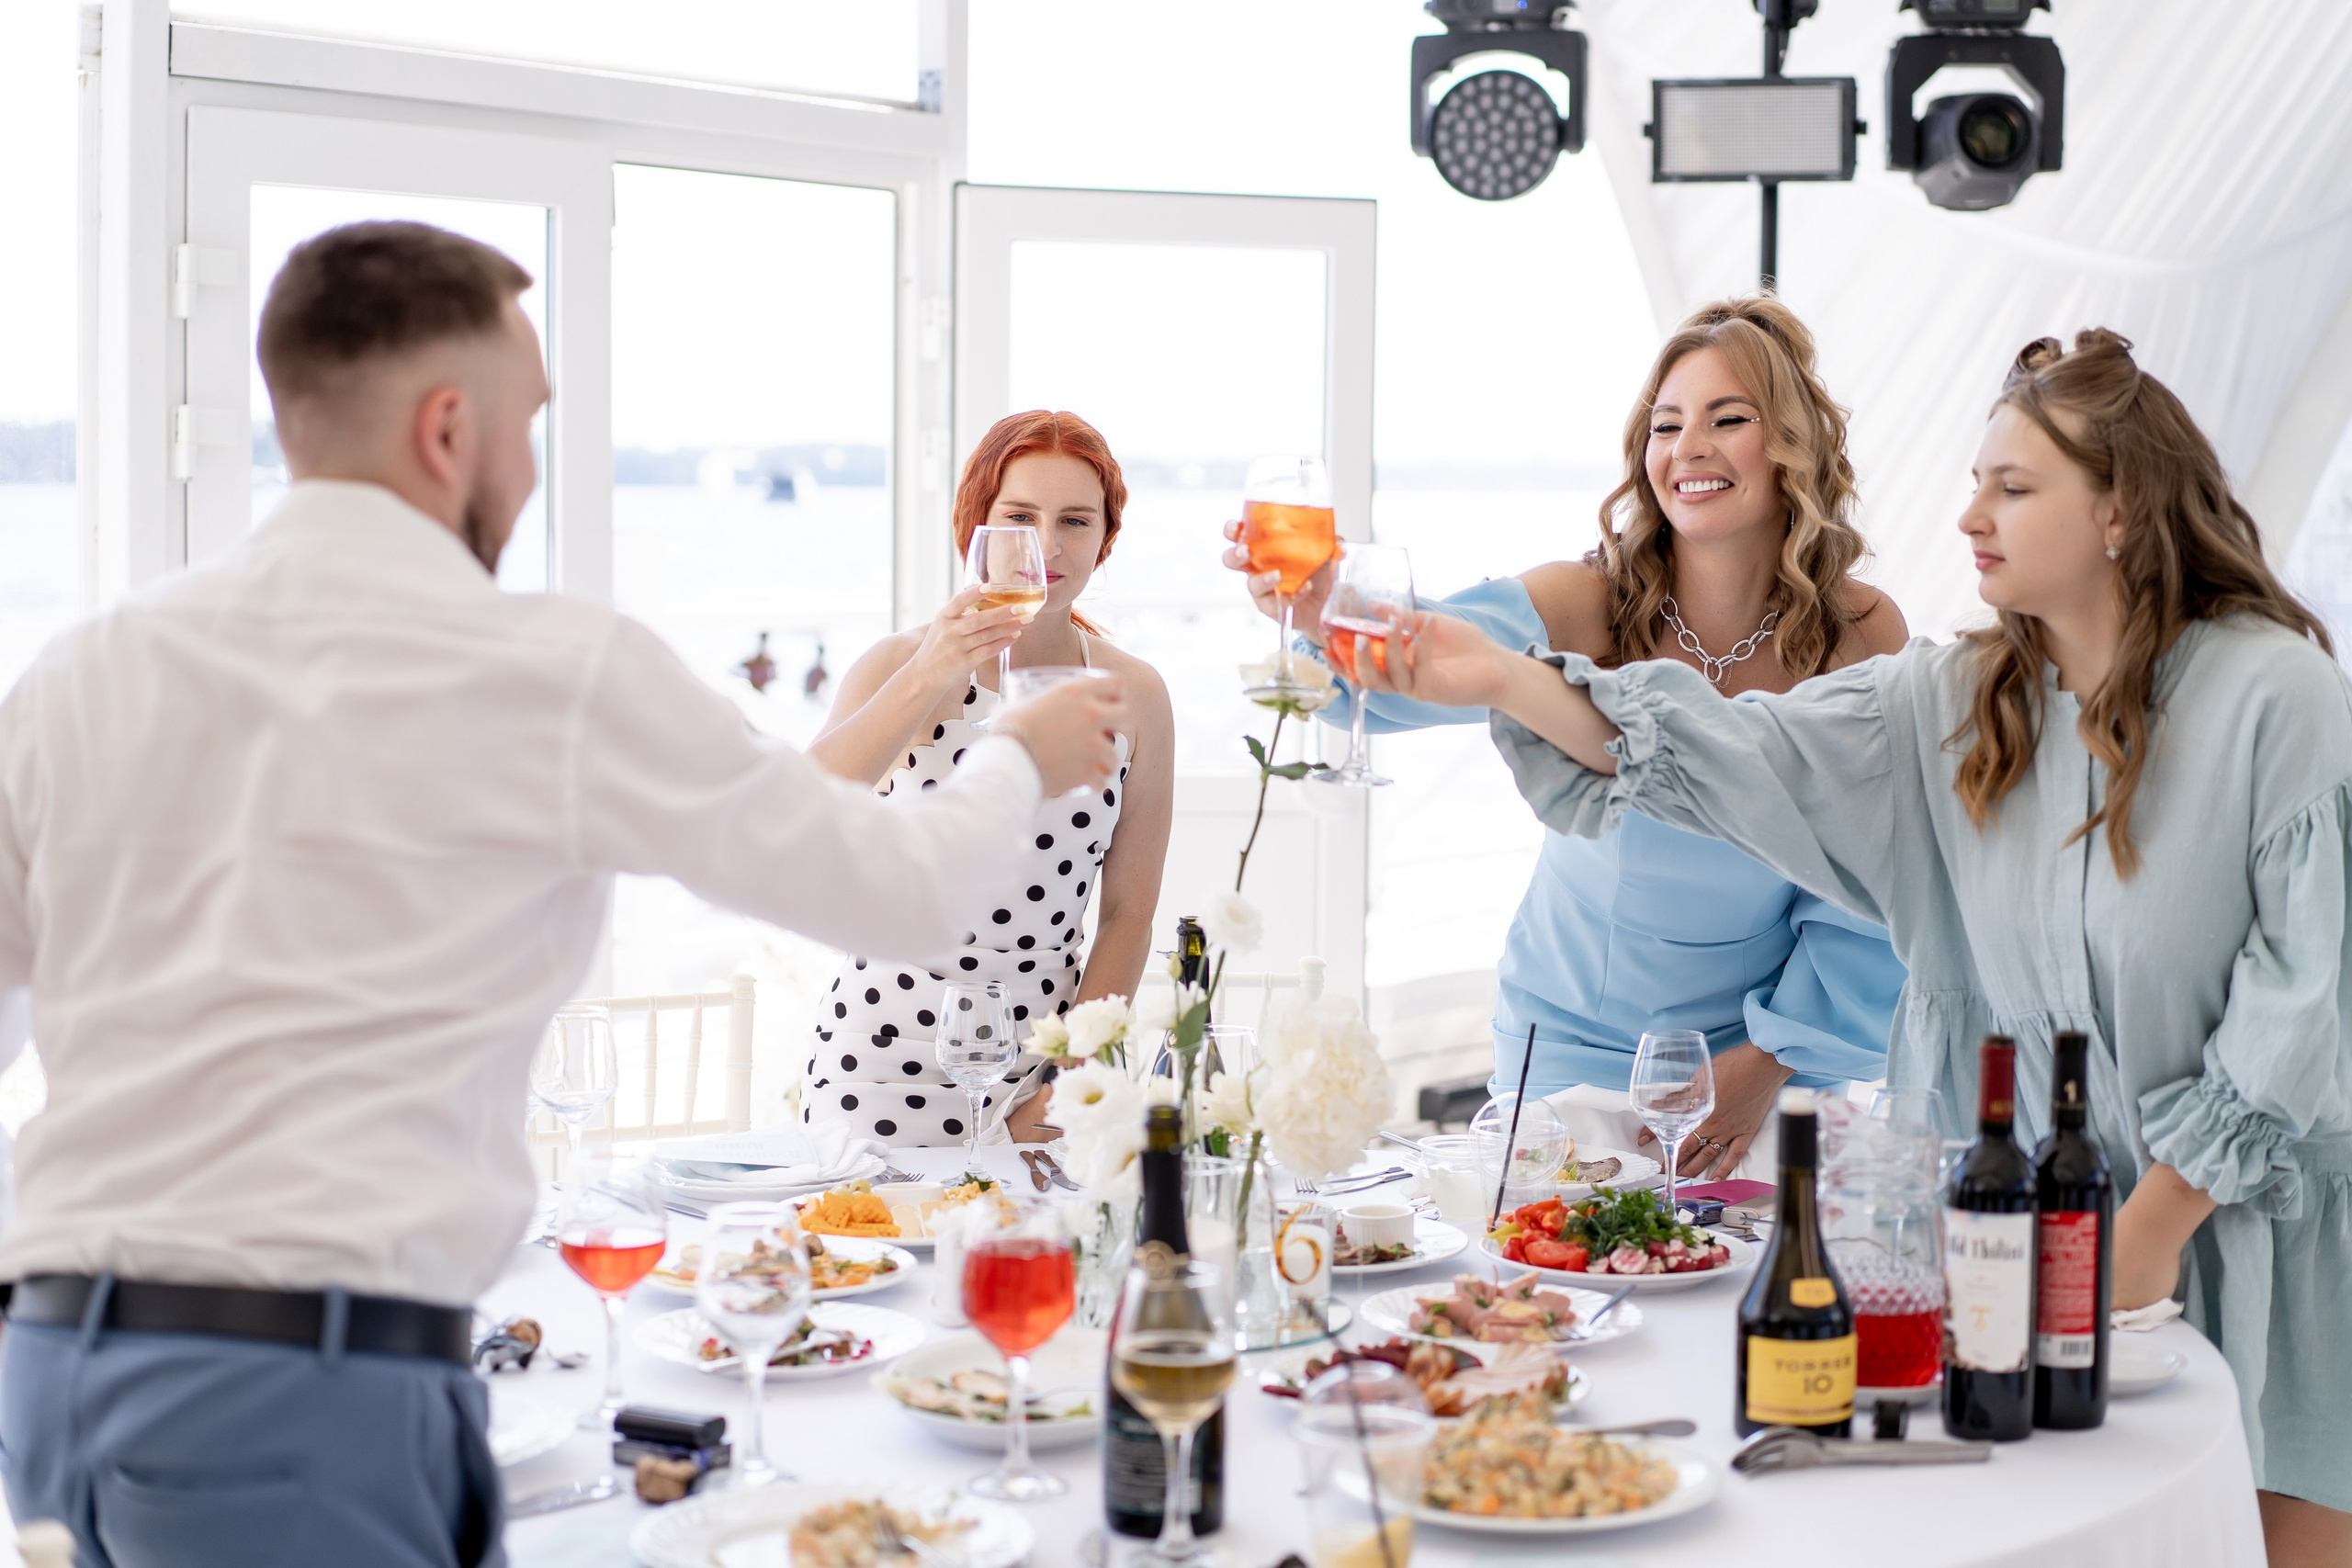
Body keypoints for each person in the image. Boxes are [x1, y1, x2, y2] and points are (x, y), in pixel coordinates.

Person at [0, 221, 1127, 1568]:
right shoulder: (547, 668)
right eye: (530, 421)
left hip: (47, 1359)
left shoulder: (81, 671)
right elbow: (901, 888)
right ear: (446, 428)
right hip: (292, 1389)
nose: (531, 467)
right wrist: (1015, 753)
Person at [1354, 328, 2352, 1566]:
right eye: (1977, 479)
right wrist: (1505, 678)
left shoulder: (2276, 696)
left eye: (2013, 485)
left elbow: (2310, 994)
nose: (1969, 512)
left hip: (2242, 1235)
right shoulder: (1949, 699)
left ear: (2119, 510)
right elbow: (1732, 750)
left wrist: (2153, 1221)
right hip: (2007, 1252)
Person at [1225, 298, 1908, 1179]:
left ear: (1793, 446)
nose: (1688, 448)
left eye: (1726, 419)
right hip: (1574, 1046)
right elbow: (1430, 663)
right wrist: (1326, 617)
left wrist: (1770, 1057)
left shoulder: (1859, 630)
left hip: (1770, 1050)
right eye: (1666, 424)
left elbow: (1875, 881)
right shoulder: (1587, 600)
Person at [803, 411, 1173, 1145]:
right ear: (977, 527)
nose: (1047, 545)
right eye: (1019, 516)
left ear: (1106, 537)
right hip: (876, 1062)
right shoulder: (897, 665)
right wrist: (931, 669)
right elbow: (800, 815)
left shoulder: (1135, 695)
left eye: (1075, 519)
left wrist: (1071, 1082)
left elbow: (1128, 913)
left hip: (1037, 1074)